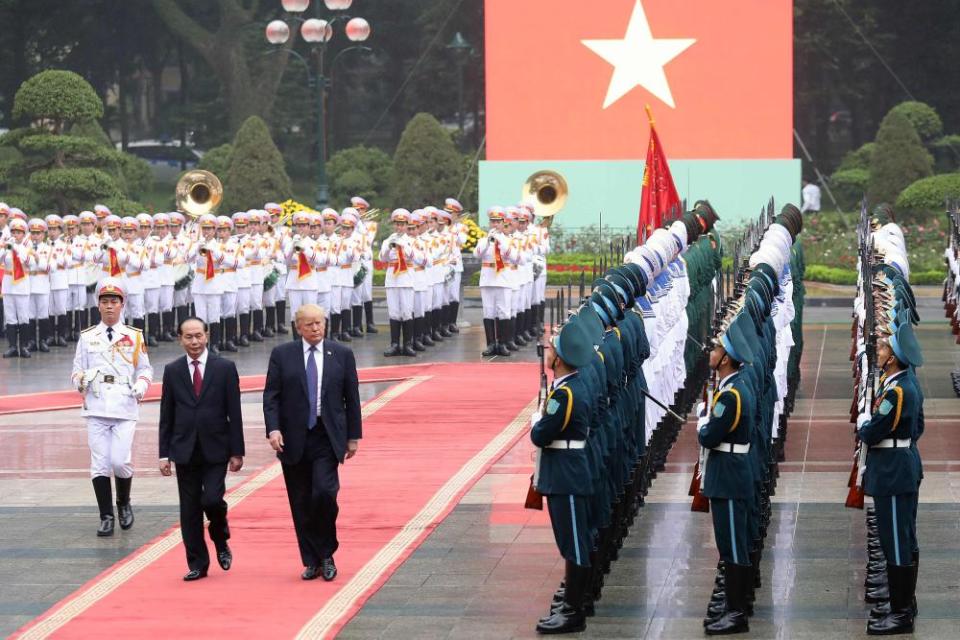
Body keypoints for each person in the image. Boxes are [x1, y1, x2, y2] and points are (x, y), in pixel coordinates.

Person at [262, 303, 362, 581]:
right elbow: (271, 396)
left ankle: (327, 552)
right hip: (293, 438)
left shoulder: (341, 353)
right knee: (301, 500)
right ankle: (312, 560)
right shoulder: (283, 355)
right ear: (298, 328)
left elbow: (351, 397)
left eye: (320, 323)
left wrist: (353, 436)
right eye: (309, 324)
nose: (316, 328)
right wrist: (273, 430)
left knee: (324, 493)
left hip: (326, 435)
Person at [159, 317, 245, 581]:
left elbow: (234, 412)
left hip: (216, 448)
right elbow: (167, 415)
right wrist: (164, 453)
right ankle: (197, 563)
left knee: (211, 500)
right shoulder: (172, 370)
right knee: (189, 509)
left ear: (207, 335)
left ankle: (220, 537)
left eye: (198, 336)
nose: (194, 342)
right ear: (180, 339)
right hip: (184, 449)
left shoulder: (225, 368)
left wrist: (237, 451)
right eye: (188, 337)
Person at [70, 278, 153, 537]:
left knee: (120, 461)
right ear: (98, 305)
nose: (109, 307)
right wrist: (81, 381)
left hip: (124, 404)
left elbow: (145, 369)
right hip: (96, 405)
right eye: (104, 302)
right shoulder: (87, 337)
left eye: (113, 302)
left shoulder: (134, 336)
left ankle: (124, 502)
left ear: (122, 304)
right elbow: (76, 370)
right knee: (99, 464)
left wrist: (140, 387)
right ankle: (106, 515)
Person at [531, 312, 596, 635]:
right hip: (566, 472)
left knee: (574, 544)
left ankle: (573, 611)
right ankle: (572, 606)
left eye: (550, 349)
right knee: (572, 542)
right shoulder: (569, 387)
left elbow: (542, 435)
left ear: (559, 359)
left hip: (566, 475)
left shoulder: (565, 394)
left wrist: (536, 424)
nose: (547, 353)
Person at [856, 323, 922, 635]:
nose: (878, 353)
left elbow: (870, 432)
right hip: (901, 465)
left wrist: (866, 422)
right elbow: (917, 426)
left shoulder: (896, 391)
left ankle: (901, 614)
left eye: (883, 349)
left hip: (894, 472)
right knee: (902, 538)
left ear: (894, 358)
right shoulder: (904, 382)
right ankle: (904, 602)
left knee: (896, 541)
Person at [697, 316, 755, 636]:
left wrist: (704, 424)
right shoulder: (732, 387)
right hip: (731, 474)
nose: (712, 352)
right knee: (733, 544)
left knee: (732, 545)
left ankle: (736, 613)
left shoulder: (730, 395)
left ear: (727, 359)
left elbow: (710, 437)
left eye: (717, 348)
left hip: (729, 477)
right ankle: (735, 606)